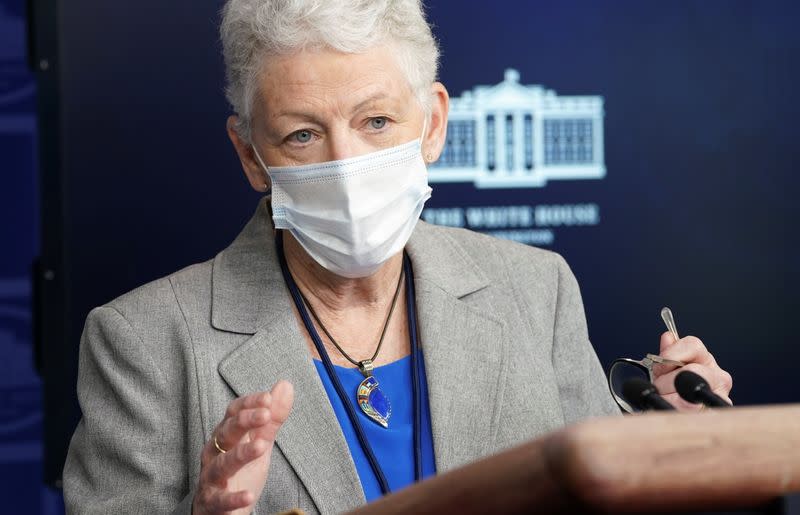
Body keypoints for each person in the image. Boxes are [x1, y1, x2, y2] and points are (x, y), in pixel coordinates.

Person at [63, 1, 734, 513]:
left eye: (376, 122)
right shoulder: (144, 339)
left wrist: (676, 447)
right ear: (250, 155)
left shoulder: (536, 288)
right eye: (302, 134)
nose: (346, 165)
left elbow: (604, 496)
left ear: (434, 124)